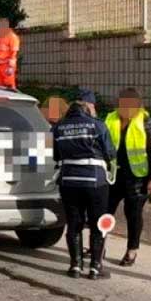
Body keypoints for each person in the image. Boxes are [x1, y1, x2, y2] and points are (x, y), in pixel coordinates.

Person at [53, 89, 115, 279]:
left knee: (74, 223)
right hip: (95, 181)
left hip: (69, 181)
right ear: (87, 109)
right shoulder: (98, 126)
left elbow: (54, 155)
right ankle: (95, 267)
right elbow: (110, 153)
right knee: (98, 224)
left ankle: (75, 266)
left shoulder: (58, 127)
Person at [105, 88, 151, 267]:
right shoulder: (110, 118)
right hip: (113, 175)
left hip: (137, 178)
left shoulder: (144, 121)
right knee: (104, 211)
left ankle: (132, 250)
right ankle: (98, 246)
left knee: (133, 215)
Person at [0, 18, 20, 89]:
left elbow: (14, 52)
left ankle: (11, 99)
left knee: (9, 85)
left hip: (7, 65)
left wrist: (11, 67)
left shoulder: (12, 37)